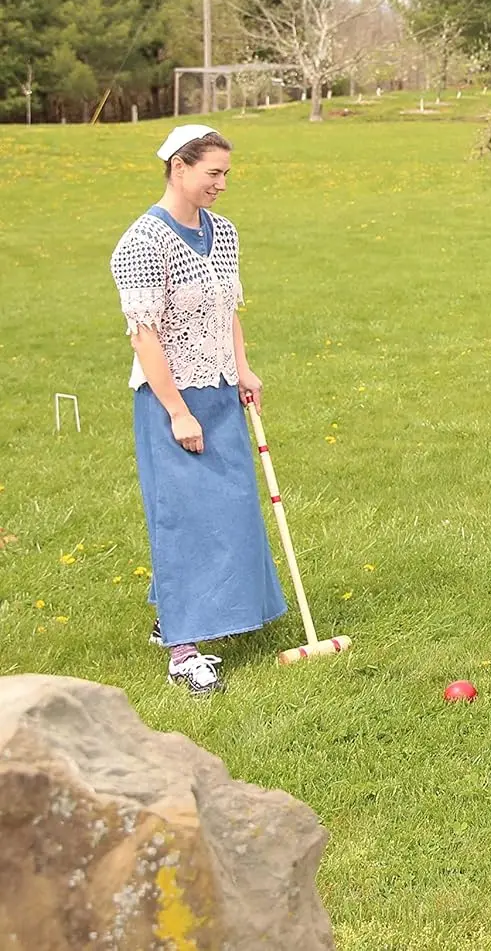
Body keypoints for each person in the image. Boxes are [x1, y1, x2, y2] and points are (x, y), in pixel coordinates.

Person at [109, 124, 286, 695]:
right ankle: (183, 649)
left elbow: (226, 310)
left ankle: (186, 615)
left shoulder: (224, 233)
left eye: (226, 173)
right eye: (213, 172)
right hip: (172, 398)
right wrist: (177, 411)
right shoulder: (143, 242)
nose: (222, 184)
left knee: (231, 506)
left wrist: (243, 368)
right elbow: (145, 336)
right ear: (177, 169)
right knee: (183, 515)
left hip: (220, 387)